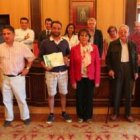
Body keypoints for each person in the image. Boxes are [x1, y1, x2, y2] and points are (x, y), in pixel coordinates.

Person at [0, 25, 35, 127]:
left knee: (21, 98)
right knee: (6, 99)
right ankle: (8, 118)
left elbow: (31, 58)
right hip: (5, 77)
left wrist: (27, 69)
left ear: (14, 35)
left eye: (8, 33)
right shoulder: (0, 47)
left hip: (18, 78)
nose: (6, 36)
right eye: (4, 34)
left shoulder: (21, 46)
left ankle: (25, 117)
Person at [39, 21, 72, 124]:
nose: (56, 30)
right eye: (54, 28)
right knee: (51, 95)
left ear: (61, 29)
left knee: (63, 94)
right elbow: (40, 57)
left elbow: (68, 55)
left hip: (63, 72)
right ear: (51, 28)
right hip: (50, 73)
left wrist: (67, 60)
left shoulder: (65, 41)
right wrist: (45, 66)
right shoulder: (44, 42)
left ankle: (63, 112)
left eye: (58, 28)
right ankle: (51, 114)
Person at [106, 24, 138, 122]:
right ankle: (115, 113)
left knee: (128, 94)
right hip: (117, 69)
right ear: (118, 33)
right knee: (117, 92)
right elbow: (108, 59)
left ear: (128, 33)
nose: (123, 33)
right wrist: (110, 69)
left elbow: (135, 59)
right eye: (121, 32)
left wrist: (136, 71)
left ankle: (128, 114)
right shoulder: (113, 44)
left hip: (129, 69)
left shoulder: (133, 44)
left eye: (125, 32)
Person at [70, 28, 100, 123]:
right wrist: (73, 81)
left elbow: (97, 65)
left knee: (89, 98)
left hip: (90, 77)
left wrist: (97, 80)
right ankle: (80, 116)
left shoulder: (94, 48)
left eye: (86, 35)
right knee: (79, 98)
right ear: (78, 37)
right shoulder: (74, 49)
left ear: (89, 37)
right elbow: (72, 67)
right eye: (82, 35)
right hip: (79, 77)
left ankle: (88, 116)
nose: (84, 37)